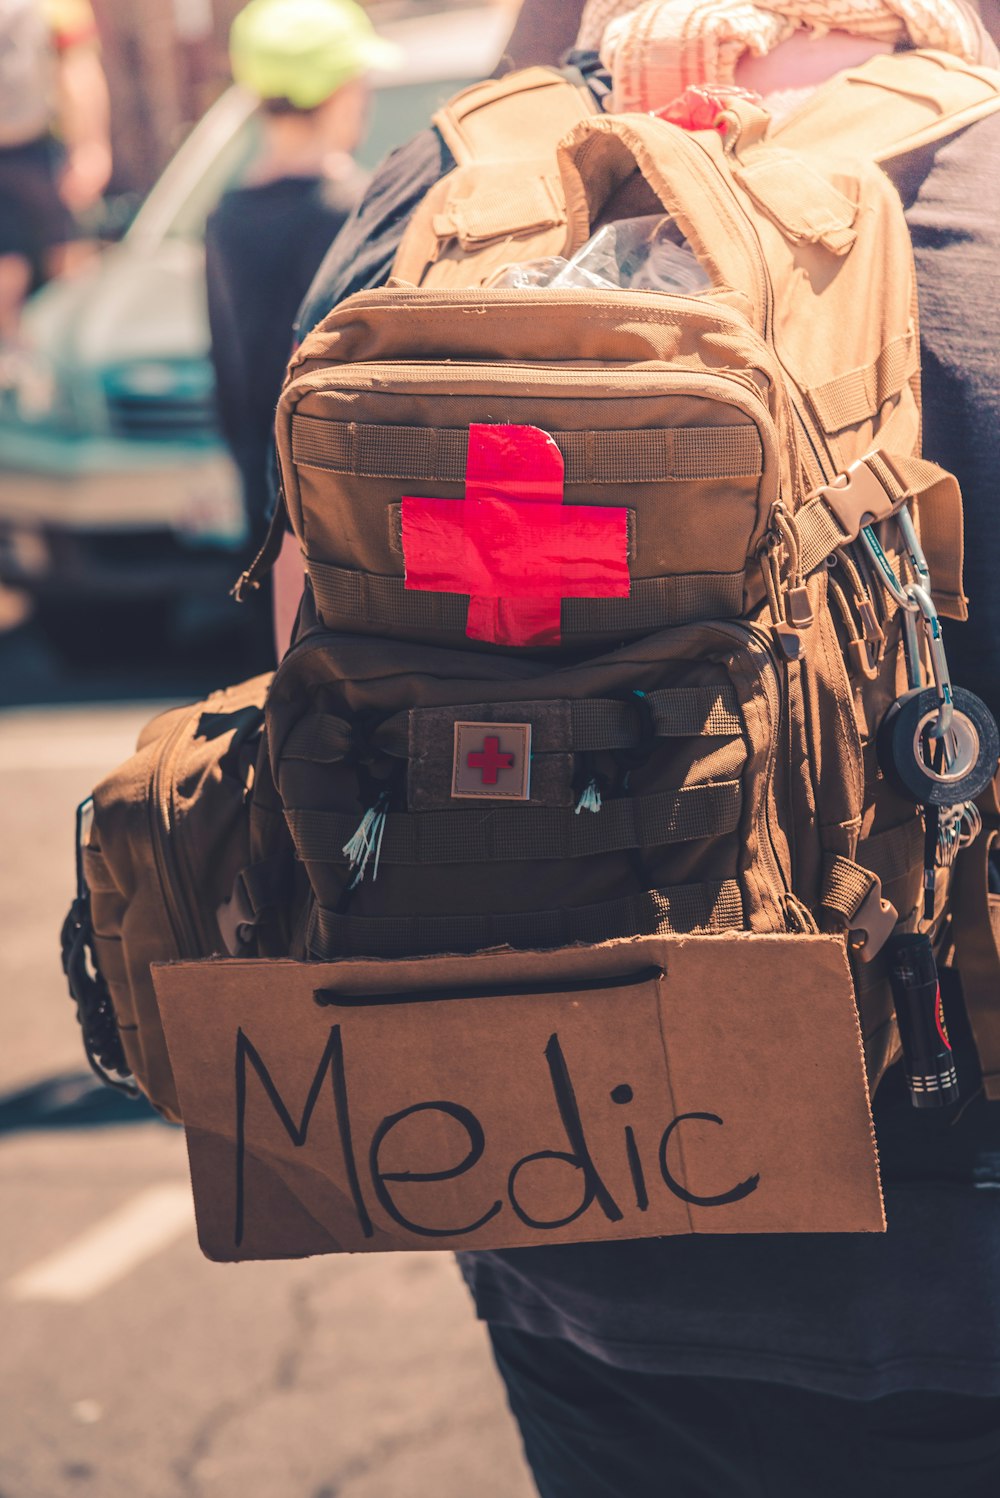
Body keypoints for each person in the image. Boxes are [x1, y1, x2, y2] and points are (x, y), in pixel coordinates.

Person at [286, 1, 1000, 1492]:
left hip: (572, 1187)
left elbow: (302, 652)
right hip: (955, 1211)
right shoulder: (980, 185)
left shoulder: (449, 181)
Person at [205, 0, 398, 573]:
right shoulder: (359, 212)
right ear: (339, 89)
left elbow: (227, 372)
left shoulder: (225, 218)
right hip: (348, 494)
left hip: (261, 500)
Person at [0, 0, 110, 351]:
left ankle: (14, 373)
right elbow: (78, 70)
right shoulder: (53, 5)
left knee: (7, 274)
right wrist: (91, 145)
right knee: (70, 265)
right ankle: (70, 367)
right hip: (38, 149)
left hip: (25, 152)